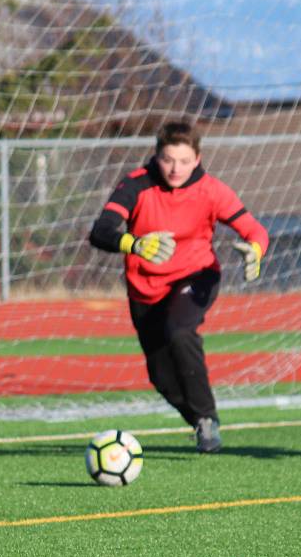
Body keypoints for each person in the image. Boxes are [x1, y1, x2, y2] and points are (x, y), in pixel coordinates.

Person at [89, 121, 268, 453]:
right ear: (157, 156)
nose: (175, 169)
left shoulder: (212, 190)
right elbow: (100, 231)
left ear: (197, 159)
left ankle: (206, 419)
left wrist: (256, 251)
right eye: (169, 159)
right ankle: (200, 420)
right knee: (161, 378)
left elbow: (255, 230)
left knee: (179, 330)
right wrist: (134, 243)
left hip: (197, 277)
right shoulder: (136, 185)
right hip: (144, 290)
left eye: (184, 161)